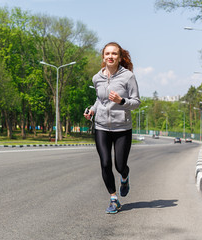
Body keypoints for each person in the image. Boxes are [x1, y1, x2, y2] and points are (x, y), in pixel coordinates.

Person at [84, 42, 140, 214]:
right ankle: (114, 198)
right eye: (107, 53)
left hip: (122, 128)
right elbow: (100, 100)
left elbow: (136, 102)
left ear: (120, 57)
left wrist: (121, 101)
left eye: (114, 54)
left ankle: (125, 177)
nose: (110, 56)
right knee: (105, 163)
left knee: (120, 165)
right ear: (103, 56)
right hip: (101, 126)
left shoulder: (128, 76)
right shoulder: (97, 78)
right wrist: (92, 110)